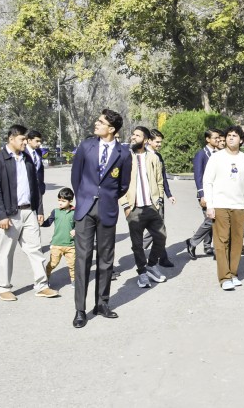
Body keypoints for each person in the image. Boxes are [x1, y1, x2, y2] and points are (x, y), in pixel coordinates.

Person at [70, 109, 132, 328]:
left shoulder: (124, 153)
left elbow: (123, 185)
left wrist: (108, 198)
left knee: (106, 259)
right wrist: (84, 197)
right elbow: (75, 176)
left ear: (111, 129)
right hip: (85, 209)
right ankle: (80, 310)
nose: (96, 124)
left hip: (107, 209)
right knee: (83, 258)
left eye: (101, 122)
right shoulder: (86, 146)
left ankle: (102, 303)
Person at [0, 124, 58, 301]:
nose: (25, 142)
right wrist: (1, 215)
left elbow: (35, 187)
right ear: (11, 139)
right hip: (9, 214)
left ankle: (42, 286)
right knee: (6, 252)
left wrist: (39, 210)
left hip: (29, 212)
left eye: (26, 139)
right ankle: (3, 288)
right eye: (22, 139)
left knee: (35, 250)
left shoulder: (27, 159)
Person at [203, 126, 244, 290]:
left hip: (238, 206)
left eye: (235, 136)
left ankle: (233, 273)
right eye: (229, 135)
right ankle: (224, 277)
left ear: (241, 140)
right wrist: (210, 205)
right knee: (221, 241)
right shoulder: (216, 158)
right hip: (220, 205)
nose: (231, 138)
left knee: (237, 242)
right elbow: (207, 181)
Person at [119, 126, 169, 289]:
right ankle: (142, 273)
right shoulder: (125, 157)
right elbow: (118, 183)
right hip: (134, 208)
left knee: (161, 237)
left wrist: (159, 201)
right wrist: (125, 205)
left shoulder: (153, 158)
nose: (133, 137)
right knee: (137, 244)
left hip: (152, 207)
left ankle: (151, 265)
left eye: (137, 135)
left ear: (146, 140)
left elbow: (159, 181)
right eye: (133, 134)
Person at [185, 128, 220, 259]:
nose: (218, 140)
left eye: (218, 137)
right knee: (211, 220)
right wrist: (202, 195)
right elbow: (198, 176)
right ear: (207, 139)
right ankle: (192, 242)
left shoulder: (218, 153)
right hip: (206, 194)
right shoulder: (201, 154)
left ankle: (207, 246)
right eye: (215, 138)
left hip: (217, 193)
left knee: (210, 220)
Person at [143, 129, 175, 267]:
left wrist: (169, 194)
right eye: (157, 142)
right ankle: (140, 248)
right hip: (146, 198)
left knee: (159, 227)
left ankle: (162, 257)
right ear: (149, 141)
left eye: (161, 142)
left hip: (158, 198)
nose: (159, 144)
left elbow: (162, 178)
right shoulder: (142, 155)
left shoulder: (159, 156)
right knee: (157, 228)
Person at [42, 187, 76, 283]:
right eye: (59, 200)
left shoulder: (75, 212)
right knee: (53, 264)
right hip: (56, 244)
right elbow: (48, 223)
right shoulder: (55, 211)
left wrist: (76, 230)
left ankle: (74, 281)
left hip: (70, 245)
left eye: (63, 201)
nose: (60, 203)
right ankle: (45, 279)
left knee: (73, 264)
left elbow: (80, 224)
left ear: (70, 201)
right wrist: (40, 223)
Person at [26, 130, 45, 195]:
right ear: (29, 141)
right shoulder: (23, 152)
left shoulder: (38, 152)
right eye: (37, 141)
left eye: (40, 141)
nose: (39, 143)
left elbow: (40, 169)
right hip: (27, 188)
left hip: (39, 188)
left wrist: (42, 184)